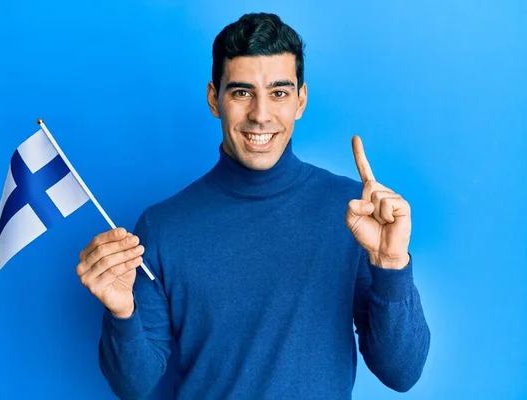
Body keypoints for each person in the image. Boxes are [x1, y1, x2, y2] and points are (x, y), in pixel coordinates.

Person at [76, 12, 430, 399]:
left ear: (301, 100)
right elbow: (133, 385)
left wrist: (391, 267)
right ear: (215, 99)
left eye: (279, 93)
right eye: (241, 92)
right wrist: (121, 313)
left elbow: (402, 372)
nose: (260, 115)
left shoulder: (354, 214)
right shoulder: (162, 227)